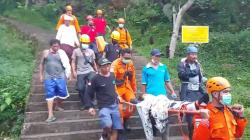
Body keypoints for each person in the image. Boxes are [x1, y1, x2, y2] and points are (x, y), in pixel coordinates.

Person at [85, 58, 123, 140]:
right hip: (104, 106)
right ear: (99, 67)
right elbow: (88, 93)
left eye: (108, 65)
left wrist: (118, 96)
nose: (107, 68)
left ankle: (107, 136)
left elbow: (113, 87)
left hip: (115, 105)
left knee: (115, 128)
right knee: (107, 125)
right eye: (104, 66)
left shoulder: (112, 75)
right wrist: (90, 107)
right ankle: (104, 134)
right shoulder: (95, 79)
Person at [177, 45, 207, 139]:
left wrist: (204, 80)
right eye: (193, 54)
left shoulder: (197, 64)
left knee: (201, 113)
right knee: (190, 118)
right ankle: (191, 136)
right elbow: (182, 75)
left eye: (196, 54)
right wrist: (194, 72)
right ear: (188, 54)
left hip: (198, 91)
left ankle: (200, 135)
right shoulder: (182, 64)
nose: (195, 56)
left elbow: (201, 75)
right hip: (187, 92)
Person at [39, 39, 71, 122]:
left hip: (60, 76)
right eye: (54, 46)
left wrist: (68, 74)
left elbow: (67, 64)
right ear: (51, 46)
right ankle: (50, 115)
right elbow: (41, 64)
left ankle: (57, 105)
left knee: (63, 94)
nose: (56, 48)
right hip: (49, 77)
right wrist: (41, 75)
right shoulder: (46, 53)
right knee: (50, 95)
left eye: (57, 46)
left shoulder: (61, 53)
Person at [111, 48, 136, 130]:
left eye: (129, 58)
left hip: (126, 87)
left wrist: (134, 90)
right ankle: (119, 125)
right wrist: (115, 94)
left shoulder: (130, 63)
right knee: (120, 107)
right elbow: (112, 81)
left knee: (133, 104)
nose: (128, 60)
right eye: (126, 58)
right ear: (120, 56)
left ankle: (126, 120)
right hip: (117, 88)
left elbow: (133, 78)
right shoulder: (114, 64)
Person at [71, 34, 97, 110]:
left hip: (90, 70)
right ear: (81, 42)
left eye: (87, 43)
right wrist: (74, 72)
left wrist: (96, 70)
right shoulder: (76, 51)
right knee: (80, 88)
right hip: (80, 71)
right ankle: (84, 103)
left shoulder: (91, 51)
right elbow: (73, 62)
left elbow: (93, 62)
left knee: (92, 83)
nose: (85, 44)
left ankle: (92, 100)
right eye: (84, 43)